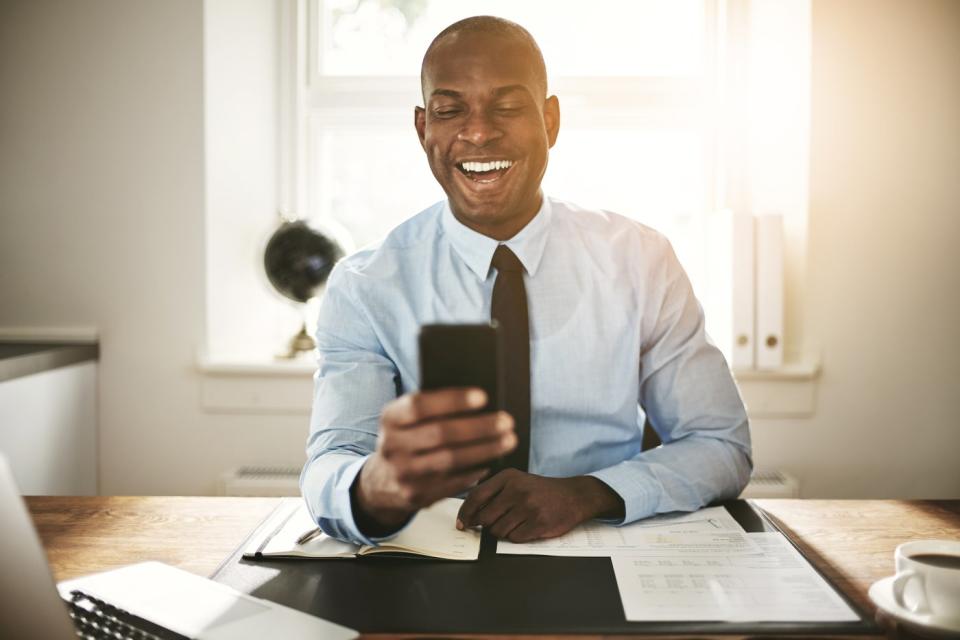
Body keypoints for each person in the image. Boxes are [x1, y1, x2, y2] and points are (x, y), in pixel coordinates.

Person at [301, 16, 752, 546]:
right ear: (424, 129)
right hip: (430, 560)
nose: (477, 132)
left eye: (507, 107)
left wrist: (587, 493)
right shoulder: (364, 285)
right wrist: (378, 484)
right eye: (450, 111)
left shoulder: (640, 259)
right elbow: (329, 465)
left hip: (600, 549)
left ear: (550, 120)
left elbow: (721, 444)